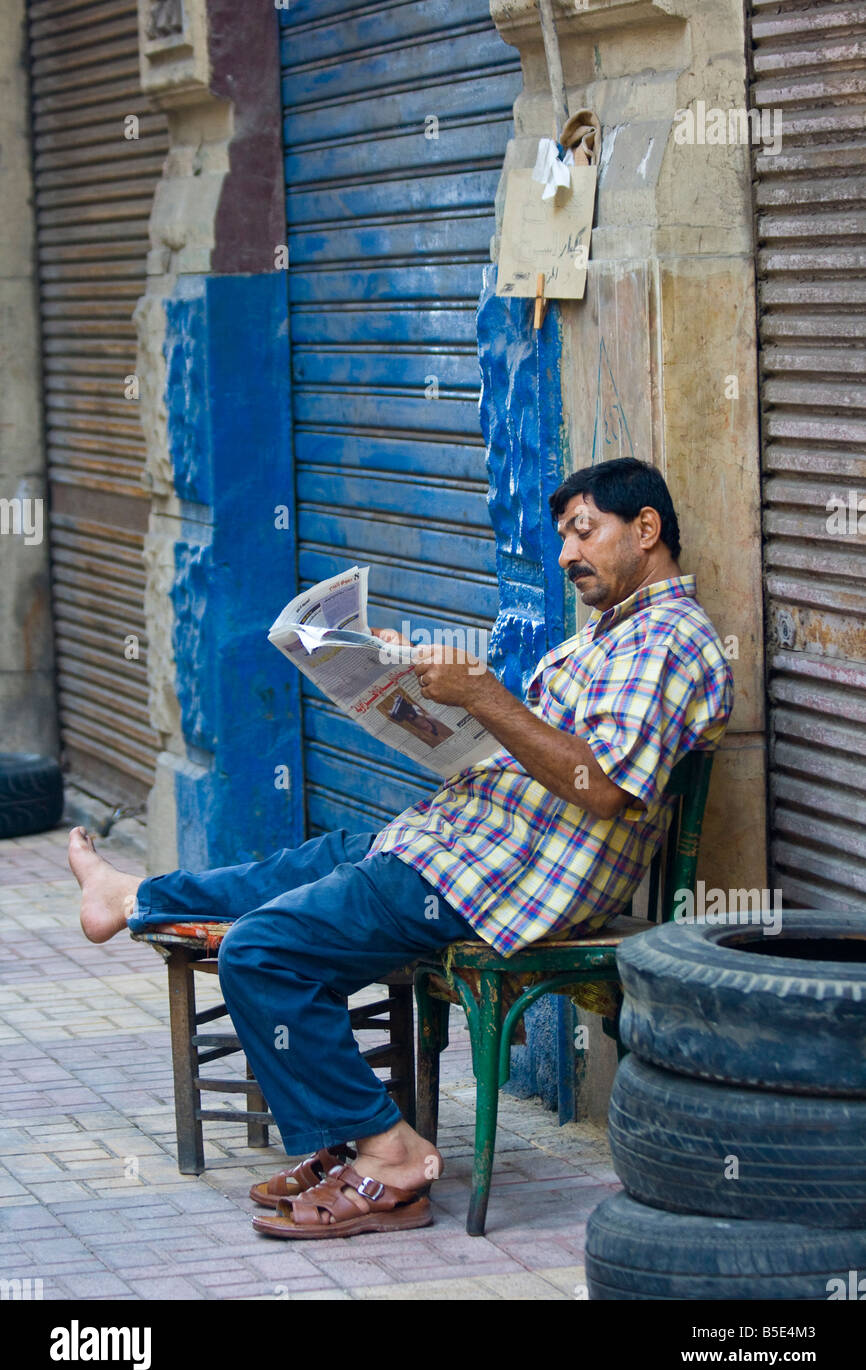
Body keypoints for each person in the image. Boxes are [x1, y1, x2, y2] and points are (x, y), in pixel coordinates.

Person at [68, 457, 734, 1240]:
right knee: (297, 868)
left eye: (584, 532)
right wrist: (405, 685)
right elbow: (545, 745)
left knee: (261, 953)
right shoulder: (613, 635)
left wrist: (483, 695)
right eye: (562, 537)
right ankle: (134, 897)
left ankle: (389, 1154)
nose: (565, 555)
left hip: (501, 876)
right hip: (468, 838)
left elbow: (605, 786)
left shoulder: (669, 642)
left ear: (646, 530)